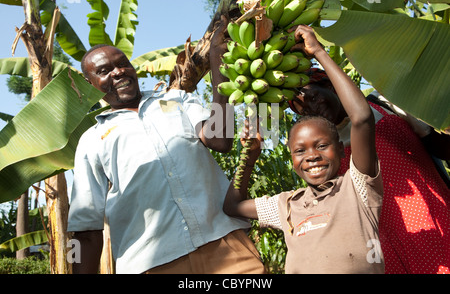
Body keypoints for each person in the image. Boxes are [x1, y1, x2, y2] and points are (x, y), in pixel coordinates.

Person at [67, 16, 265, 274]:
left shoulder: (176, 100)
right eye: (104, 71)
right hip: (153, 262)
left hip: (224, 243)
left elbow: (219, 139)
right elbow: (85, 227)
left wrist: (218, 61)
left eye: (123, 64)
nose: (118, 72)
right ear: (89, 84)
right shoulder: (93, 140)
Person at [223, 25, 384, 274]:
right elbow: (232, 206)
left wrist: (318, 51)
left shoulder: (358, 188)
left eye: (321, 146)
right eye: (300, 151)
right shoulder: (287, 204)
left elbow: (362, 119)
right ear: (291, 159)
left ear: (342, 150)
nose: (312, 156)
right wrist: (250, 156)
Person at [288, 66, 450, 273]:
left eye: (313, 98)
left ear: (329, 85)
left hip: (432, 216)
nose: (314, 109)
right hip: (381, 241)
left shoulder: (384, 103)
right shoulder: (326, 147)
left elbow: (441, 146)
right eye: (306, 111)